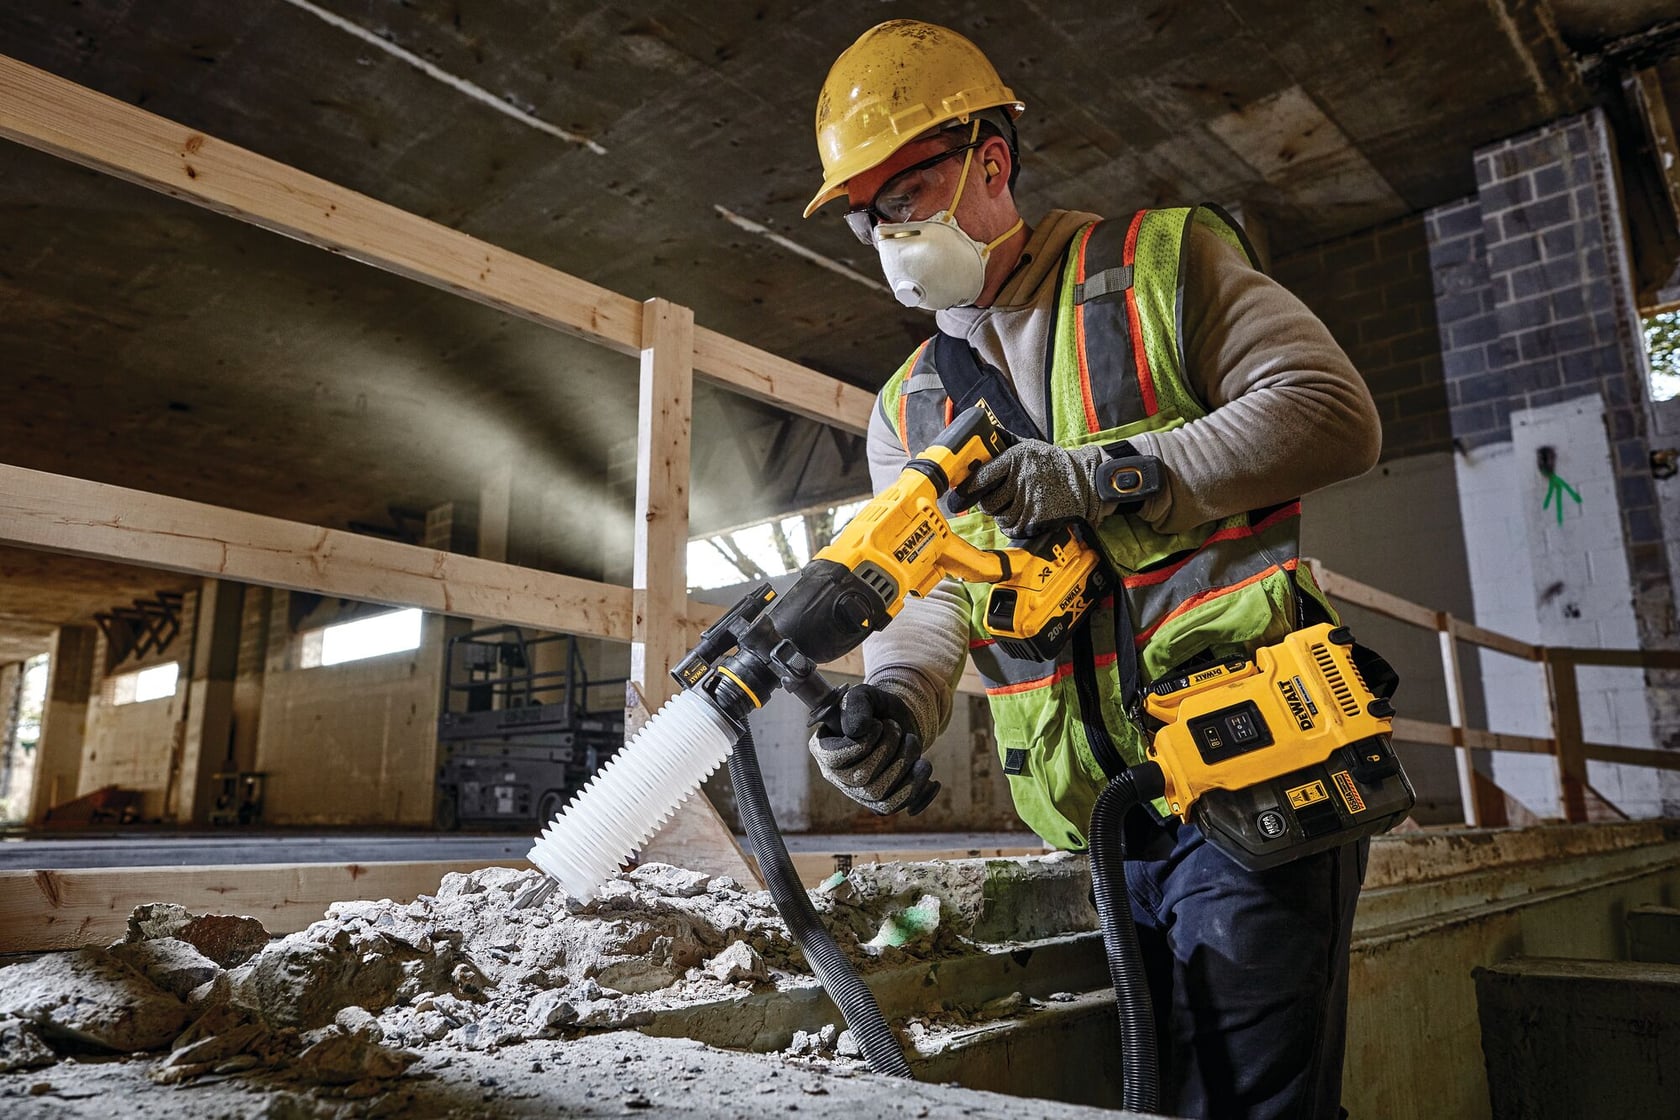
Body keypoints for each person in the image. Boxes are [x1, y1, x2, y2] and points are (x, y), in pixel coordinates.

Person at [799, 19, 1383, 1120]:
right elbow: (933, 594)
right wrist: (896, 700)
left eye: (909, 188)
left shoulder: (1159, 267)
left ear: (992, 162)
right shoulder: (908, 406)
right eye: (868, 210)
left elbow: (1333, 415)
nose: (890, 227)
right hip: (1100, 825)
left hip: (1254, 778)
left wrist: (1101, 477)